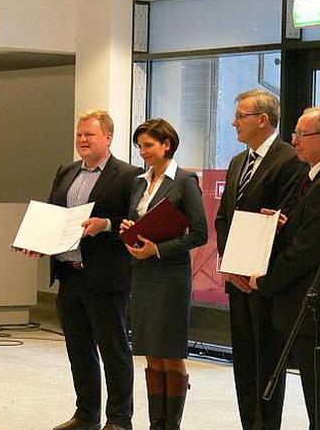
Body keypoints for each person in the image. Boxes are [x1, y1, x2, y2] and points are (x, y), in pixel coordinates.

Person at [249, 107, 320, 430]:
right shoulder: (316, 178)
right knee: (318, 391)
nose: (293, 140)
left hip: (316, 306)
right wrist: (286, 224)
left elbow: (307, 253)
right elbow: (309, 233)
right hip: (305, 304)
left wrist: (264, 281)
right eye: (294, 133)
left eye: (301, 134)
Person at [215, 88, 305, 430]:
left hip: (265, 280)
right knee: (244, 363)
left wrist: (252, 270)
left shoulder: (289, 159)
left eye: (240, 115)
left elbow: (283, 221)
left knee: (266, 363)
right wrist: (231, 265)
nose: (234, 122)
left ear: (262, 120)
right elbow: (224, 218)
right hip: (237, 279)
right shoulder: (239, 161)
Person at [48, 110, 142, 430]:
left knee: (113, 351)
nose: (82, 139)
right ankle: (86, 415)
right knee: (79, 350)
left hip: (105, 276)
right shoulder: (66, 171)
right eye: (79, 134)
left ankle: (118, 419)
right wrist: (38, 241)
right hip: (69, 273)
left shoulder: (129, 175)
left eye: (89, 134)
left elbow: (136, 224)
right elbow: (53, 216)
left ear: (108, 138)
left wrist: (106, 225)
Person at [120, 118, 208, 430]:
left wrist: (157, 249)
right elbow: (137, 220)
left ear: (166, 144)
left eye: (149, 145)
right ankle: (156, 423)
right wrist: (128, 228)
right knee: (151, 354)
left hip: (170, 274)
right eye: (140, 146)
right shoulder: (140, 182)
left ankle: (172, 424)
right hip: (142, 273)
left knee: (170, 353)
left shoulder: (185, 180)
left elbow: (199, 234)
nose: (143, 151)